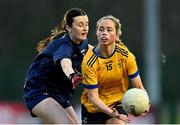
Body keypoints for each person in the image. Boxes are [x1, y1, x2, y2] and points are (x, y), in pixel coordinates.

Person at [23, 8, 89, 124]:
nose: (85, 28)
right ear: (68, 28)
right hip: (39, 92)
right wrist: (72, 75)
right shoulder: (64, 46)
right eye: (80, 25)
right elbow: (65, 63)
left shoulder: (82, 42)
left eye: (87, 24)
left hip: (58, 94)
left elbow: (94, 53)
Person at [80, 15, 149, 124]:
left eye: (109, 29)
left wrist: (145, 102)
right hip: (94, 108)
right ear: (97, 33)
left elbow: (139, 86)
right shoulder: (89, 62)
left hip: (118, 103)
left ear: (117, 35)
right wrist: (111, 113)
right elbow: (93, 97)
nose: (104, 32)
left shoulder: (126, 56)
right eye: (101, 29)